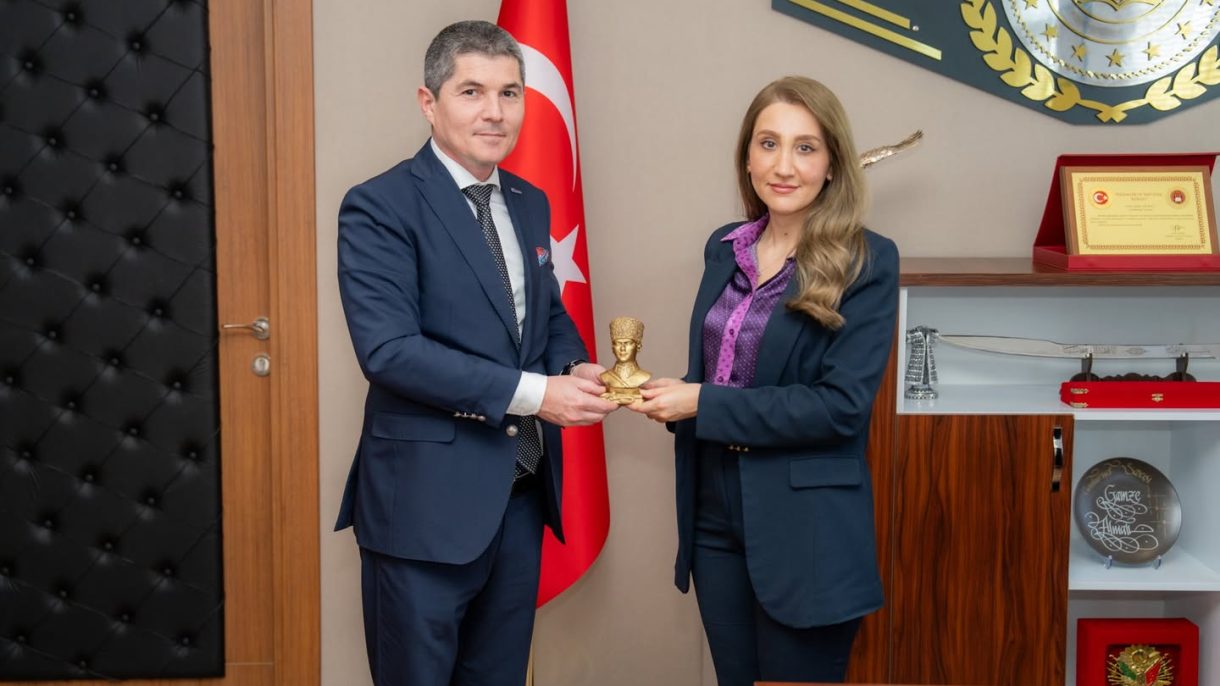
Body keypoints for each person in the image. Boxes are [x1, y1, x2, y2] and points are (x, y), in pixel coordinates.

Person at [333, 20, 618, 686]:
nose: (495, 112)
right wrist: (540, 394)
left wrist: (573, 367)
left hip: (517, 500)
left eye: (509, 93)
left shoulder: (528, 200)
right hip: (422, 511)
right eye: (472, 92)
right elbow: (390, 352)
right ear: (429, 103)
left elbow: (545, 318)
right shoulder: (379, 206)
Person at [629, 76, 899, 685]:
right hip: (713, 517)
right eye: (768, 143)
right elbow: (720, 371)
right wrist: (667, 394)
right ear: (747, 157)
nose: (783, 166)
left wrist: (702, 402)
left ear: (832, 164)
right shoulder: (724, 248)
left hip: (805, 528)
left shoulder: (867, 260)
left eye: (806, 147)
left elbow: (840, 408)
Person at [599, 316, 652, 403]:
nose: (622, 348)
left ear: (638, 346)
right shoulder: (605, 376)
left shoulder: (644, 376)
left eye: (627, 343)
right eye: (618, 343)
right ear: (612, 348)